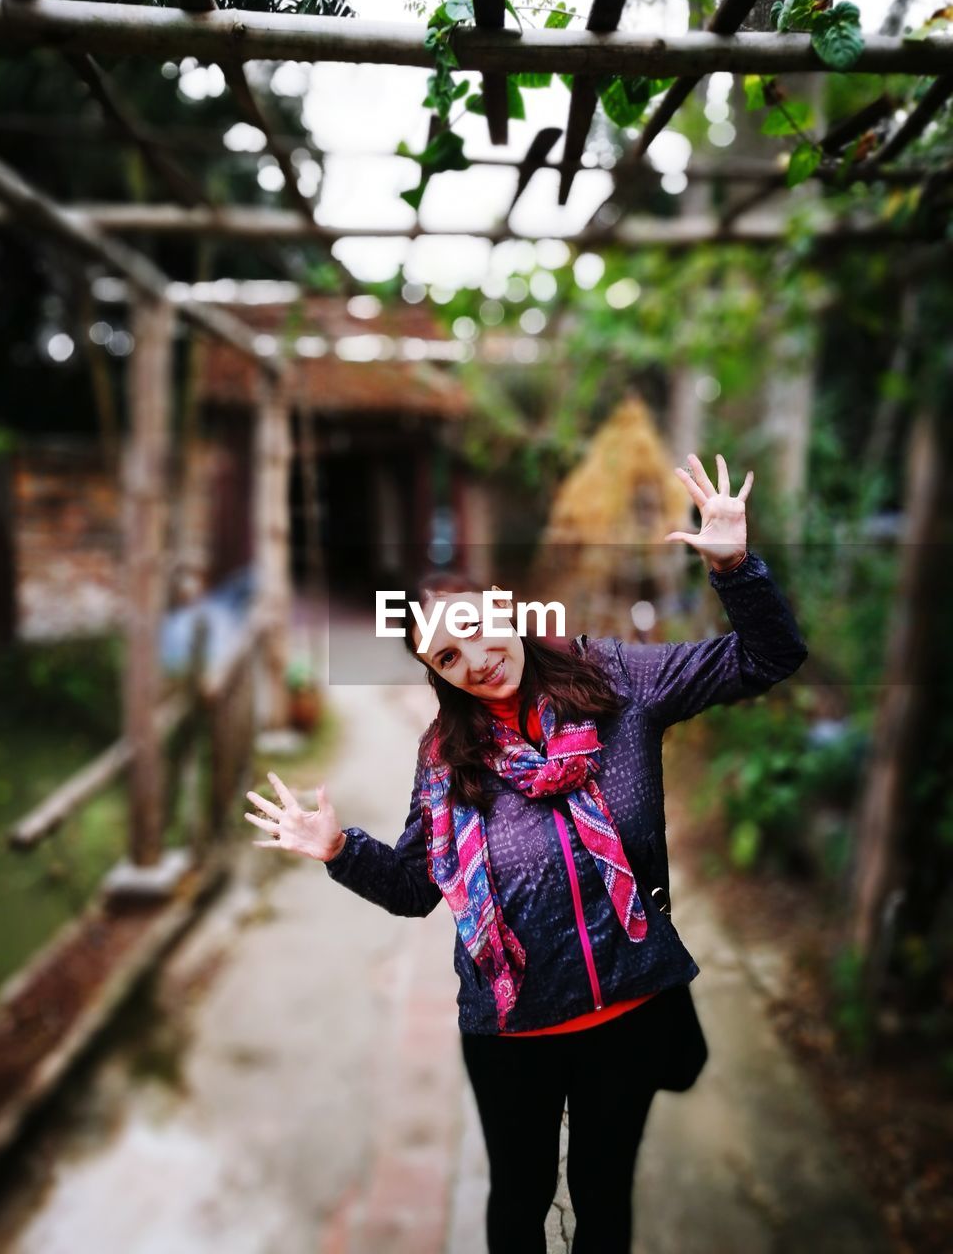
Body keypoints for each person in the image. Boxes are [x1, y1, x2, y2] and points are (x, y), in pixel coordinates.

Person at [244, 452, 808, 1254]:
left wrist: (736, 569)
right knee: (518, 1202)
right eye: (446, 657)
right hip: (512, 1034)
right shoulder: (445, 757)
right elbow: (415, 888)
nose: (475, 660)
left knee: (603, 1201)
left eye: (475, 630)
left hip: (628, 1016)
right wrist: (340, 848)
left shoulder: (615, 679)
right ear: (435, 673)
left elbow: (768, 657)